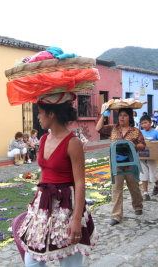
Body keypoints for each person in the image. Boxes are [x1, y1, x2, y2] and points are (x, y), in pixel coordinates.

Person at [18, 99, 97, 266]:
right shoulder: (44, 138)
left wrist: (76, 219)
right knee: (32, 261)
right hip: (44, 204)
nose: (38, 116)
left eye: (40, 112)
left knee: (69, 260)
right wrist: (35, 200)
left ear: (51, 114)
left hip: (66, 206)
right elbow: (44, 173)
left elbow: (80, 183)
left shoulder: (73, 143)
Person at [96, 108, 146, 226]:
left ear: (130, 118)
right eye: (120, 115)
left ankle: (138, 206)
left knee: (133, 187)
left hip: (131, 163)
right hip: (116, 163)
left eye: (125, 115)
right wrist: (104, 115)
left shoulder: (136, 131)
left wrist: (135, 146)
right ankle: (116, 216)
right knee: (116, 188)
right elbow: (98, 129)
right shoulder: (113, 129)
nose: (122, 118)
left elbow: (143, 145)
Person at [139, 115, 158, 200]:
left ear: (150, 123)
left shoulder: (156, 132)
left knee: (153, 174)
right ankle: (145, 193)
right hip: (142, 157)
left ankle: (156, 184)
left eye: (146, 123)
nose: (144, 125)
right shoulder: (140, 132)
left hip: (152, 157)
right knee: (143, 174)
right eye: (142, 123)